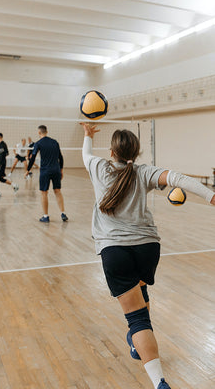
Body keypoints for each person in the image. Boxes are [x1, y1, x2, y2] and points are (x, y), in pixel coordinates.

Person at [80, 123, 215, 389]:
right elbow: (180, 179)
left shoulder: (98, 167)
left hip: (115, 250)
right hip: (148, 248)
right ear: (137, 152)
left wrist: (87, 134)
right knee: (140, 295)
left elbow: (85, 155)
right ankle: (136, 342)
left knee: (137, 319)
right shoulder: (144, 172)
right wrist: (212, 198)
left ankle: (159, 381)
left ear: (111, 151)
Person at [25, 125, 68, 222]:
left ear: (39, 133)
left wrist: (28, 170)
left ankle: (45, 216)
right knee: (58, 191)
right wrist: (61, 170)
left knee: (44, 193)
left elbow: (33, 157)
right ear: (46, 132)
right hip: (56, 169)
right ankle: (63, 213)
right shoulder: (55, 142)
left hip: (45, 171)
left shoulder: (38, 143)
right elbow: (60, 157)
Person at [0, 133, 19, 197]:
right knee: (1, 179)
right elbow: (7, 153)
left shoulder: (2, 144)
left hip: (1, 163)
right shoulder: (3, 144)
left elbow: (2, 150)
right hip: (2, 162)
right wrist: (0, 156)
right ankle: (15, 186)